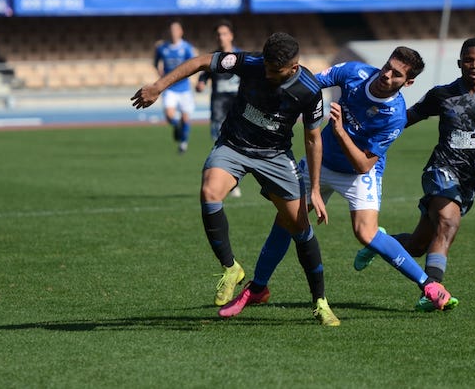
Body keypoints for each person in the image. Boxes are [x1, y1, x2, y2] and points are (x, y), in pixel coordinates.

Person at [217, 47, 453, 320]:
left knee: (366, 233)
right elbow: (309, 85)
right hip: (322, 162)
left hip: (360, 173)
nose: (386, 75)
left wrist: (340, 131)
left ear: (407, 82)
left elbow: (364, 164)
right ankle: (257, 288)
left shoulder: (395, 116)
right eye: (387, 66)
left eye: (396, 74)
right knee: (287, 220)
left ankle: (428, 285)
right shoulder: (354, 72)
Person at [131, 32, 339, 326]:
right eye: (265, 67)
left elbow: (313, 138)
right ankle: (231, 268)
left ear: (293, 68)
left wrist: (315, 189)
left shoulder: (308, 90)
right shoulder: (250, 63)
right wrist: (159, 86)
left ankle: (320, 301)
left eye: (274, 71)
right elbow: (203, 62)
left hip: (275, 156)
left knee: (300, 228)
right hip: (234, 146)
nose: (267, 73)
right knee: (209, 192)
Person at [356, 38, 475, 312]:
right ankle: (432, 290)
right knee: (448, 222)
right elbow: (405, 118)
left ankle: (378, 242)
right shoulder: (442, 94)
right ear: (459, 63)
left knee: (418, 244)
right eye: (468, 60)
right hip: (440, 171)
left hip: (469, 182)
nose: (474, 65)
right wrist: (369, 134)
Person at [195, 20, 242, 197]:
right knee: (221, 143)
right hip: (218, 105)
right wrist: (200, 83)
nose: (221, 37)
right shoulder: (213, 57)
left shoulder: (240, 56)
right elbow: (203, 74)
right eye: (218, 34)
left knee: (237, 143)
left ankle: (233, 179)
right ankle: (225, 180)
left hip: (237, 105)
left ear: (231, 35)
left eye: (224, 33)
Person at [154, 19, 197, 154]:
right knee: (169, 115)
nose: (173, 33)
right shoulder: (162, 48)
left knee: (186, 118)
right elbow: (156, 62)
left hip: (184, 88)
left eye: (175, 30)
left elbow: (194, 64)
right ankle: (176, 125)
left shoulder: (186, 48)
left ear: (181, 32)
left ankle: (183, 143)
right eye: (171, 30)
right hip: (170, 88)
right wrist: (159, 71)